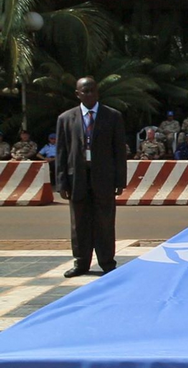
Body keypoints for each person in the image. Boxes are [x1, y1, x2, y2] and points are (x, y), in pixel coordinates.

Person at [56, 77, 127, 278]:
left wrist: (120, 181)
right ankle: (81, 263)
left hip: (103, 178)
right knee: (79, 223)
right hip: (77, 179)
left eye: (92, 91)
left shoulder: (112, 116)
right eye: (84, 91)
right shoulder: (65, 118)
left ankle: (107, 262)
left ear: (97, 92)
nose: (89, 94)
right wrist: (62, 182)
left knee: (105, 221)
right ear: (77, 94)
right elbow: (61, 153)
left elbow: (119, 151)